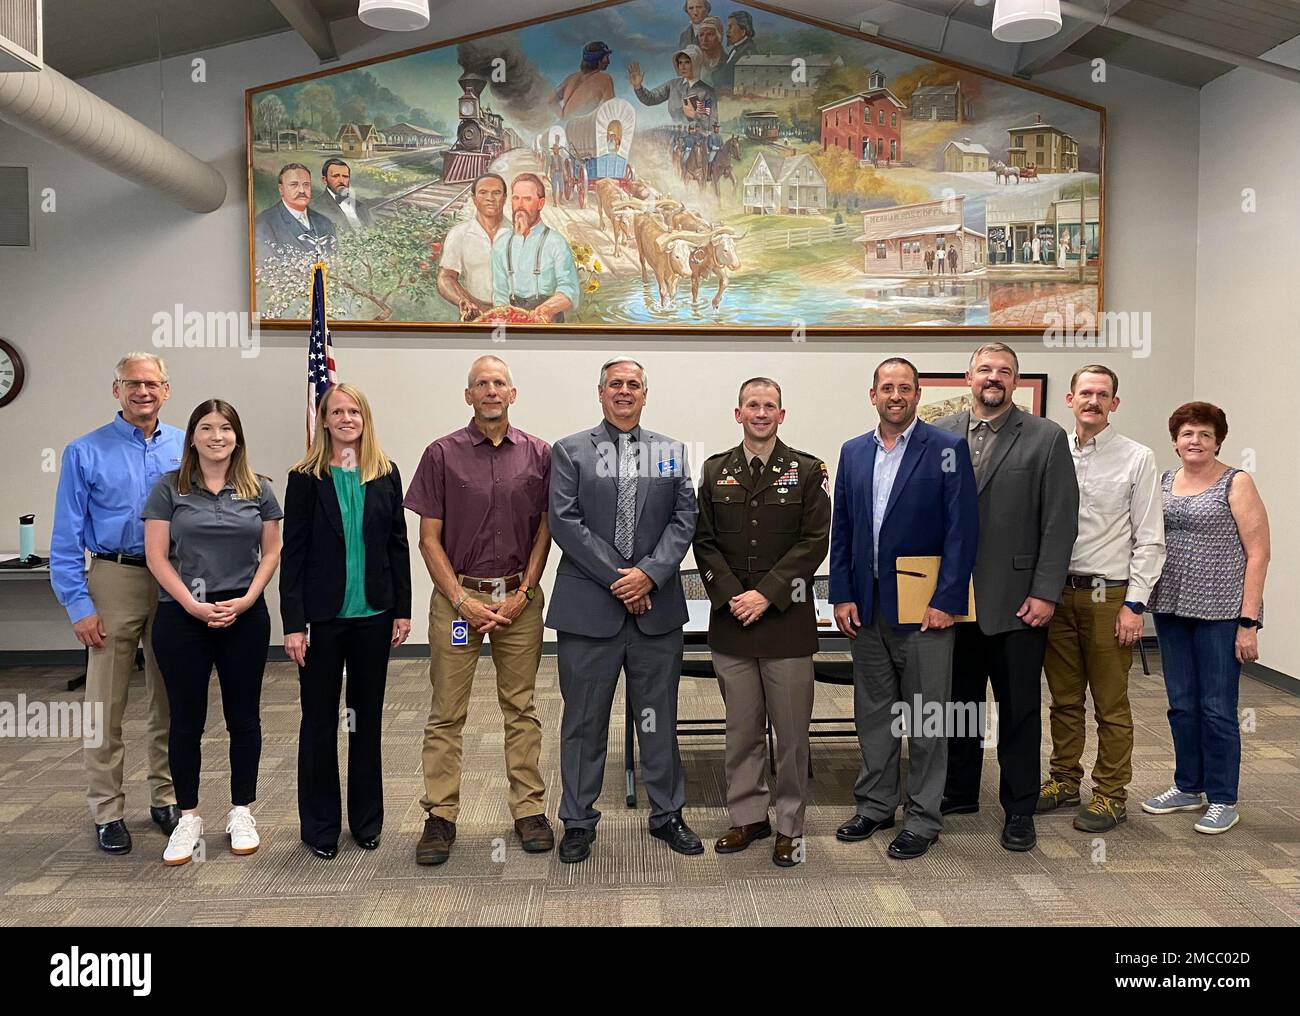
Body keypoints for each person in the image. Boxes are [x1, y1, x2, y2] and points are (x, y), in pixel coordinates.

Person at [547, 356, 699, 864]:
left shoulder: (671, 453)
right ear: (601, 392)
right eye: (616, 383)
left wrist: (648, 575)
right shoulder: (570, 451)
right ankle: (577, 821)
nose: (625, 391)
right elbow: (565, 522)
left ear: (645, 394)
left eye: (634, 384)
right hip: (590, 612)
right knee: (584, 721)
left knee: (658, 719)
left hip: (656, 611)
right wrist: (623, 579)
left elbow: (684, 519)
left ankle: (667, 815)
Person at [404, 356, 555, 865]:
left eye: (499, 383)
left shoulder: (539, 454)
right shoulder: (441, 454)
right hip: (458, 602)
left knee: (521, 708)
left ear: (513, 394)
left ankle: (529, 810)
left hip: (519, 601)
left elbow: (545, 530)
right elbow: (428, 540)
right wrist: (463, 601)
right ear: (468, 396)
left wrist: (525, 592)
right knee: (446, 713)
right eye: (481, 384)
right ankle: (440, 816)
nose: (491, 390)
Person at [831, 359, 979, 860]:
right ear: (872, 394)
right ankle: (875, 805)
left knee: (926, 718)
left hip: (925, 610)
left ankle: (922, 817)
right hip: (867, 607)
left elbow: (963, 531)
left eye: (905, 388)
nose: (895, 395)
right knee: (874, 714)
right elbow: (843, 528)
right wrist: (842, 594)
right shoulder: (853, 451)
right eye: (887, 388)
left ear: (918, 395)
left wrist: (947, 600)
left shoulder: (946, 448)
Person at [933, 343, 1078, 852]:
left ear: (1015, 381)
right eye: (985, 369)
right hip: (953, 600)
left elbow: (1060, 521)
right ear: (968, 376)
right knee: (959, 705)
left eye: (1004, 371)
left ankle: (1020, 807)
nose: (993, 377)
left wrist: (1045, 592)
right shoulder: (939, 434)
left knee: (1018, 710)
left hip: (1019, 603)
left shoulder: (1045, 436)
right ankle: (959, 792)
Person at [51, 353, 185, 855]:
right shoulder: (84, 451)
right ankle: (107, 809)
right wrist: (78, 604)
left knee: (169, 695)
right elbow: (65, 536)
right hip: (115, 576)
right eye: (132, 383)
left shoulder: (185, 446)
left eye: (151, 383)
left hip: (173, 578)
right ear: (116, 390)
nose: (142, 391)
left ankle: (165, 797)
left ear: (166, 390)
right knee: (105, 703)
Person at [693, 378, 830, 867]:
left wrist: (765, 595)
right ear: (739, 413)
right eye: (752, 405)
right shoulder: (715, 471)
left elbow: (814, 542)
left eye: (769, 405)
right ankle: (748, 816)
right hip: (733, 621)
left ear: (781, 414)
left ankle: (790, 825)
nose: (761, 412)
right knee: (742, 730)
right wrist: (734, 596)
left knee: (791, 736)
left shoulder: (808, 470)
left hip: (786, 623)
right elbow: (703, 541)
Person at [142, 400, 282, 865]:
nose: (216, 436)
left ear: (237, 437)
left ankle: (241, 811)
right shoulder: (169, 488)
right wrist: (193, 605)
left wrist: (247, 599)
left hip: (244, 615)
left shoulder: (259, 488)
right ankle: (188, 817)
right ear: (192, 438)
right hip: (183, 617)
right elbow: (156, 555)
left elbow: (271, 551)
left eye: (225, 428)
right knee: (186, 720)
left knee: (244, 718)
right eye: (206, 428)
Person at [280, 383, 411, 860]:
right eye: (337, 411)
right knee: (319, 722)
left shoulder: (385, 472)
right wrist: (293, 623)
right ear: (324, 420)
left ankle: (366, 822)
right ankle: (320, 827)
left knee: (365, 721)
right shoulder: (304, 478)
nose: (346, 418)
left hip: (374, 616)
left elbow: (397, 544)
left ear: (364, 418)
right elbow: (293, 554)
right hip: (322, 621)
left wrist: (402, 609)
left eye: (354, 411)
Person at [1039, 366, 1165, 833]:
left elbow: (1150, 538)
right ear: (1070, 400)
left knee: (1110, 704)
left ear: (1115, 403)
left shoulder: (1137, 457)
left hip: (1109, 596)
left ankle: (1111, 793)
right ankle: (1064, 780)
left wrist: (1135, 605)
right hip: (1057, 593)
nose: (1093, 401)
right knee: (1064, 700)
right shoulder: (1052, 452)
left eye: (1103, 394)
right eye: (1086, 393)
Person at [1142, 402, 1270, 835]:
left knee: (1217, 708)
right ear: (1175, 441)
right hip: (1171, 608)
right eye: (1187, 434)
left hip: (1221, 611)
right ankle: (1187, 786)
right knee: (1181, 704)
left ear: (1217, 442)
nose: (1195, 441)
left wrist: (1248, 622)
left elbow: (1259, 554)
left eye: (1204, 435)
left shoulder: (1237, 482)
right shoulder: (1164, 481)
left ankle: (1222, 798)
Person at [489, 174, 580, 323]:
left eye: (527, 199)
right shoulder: (501, 244)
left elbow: (569, 290)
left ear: (540, 203)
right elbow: (499, 294)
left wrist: (547, 308)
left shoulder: (556, 243)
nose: (520, 205)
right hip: (512, 322)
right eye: (516, 198)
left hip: (549, 321)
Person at [438, 173, 508, 321]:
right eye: (483, 192)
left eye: (496, 193)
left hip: (513, 313)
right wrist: (462, 300)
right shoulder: (459, 233)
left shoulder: (519, 233)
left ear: (505, 198)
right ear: (474, 199)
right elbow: (446, 277)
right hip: (475, 313)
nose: (490, 198)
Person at [254, 163, 336, 259]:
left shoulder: (325, 222)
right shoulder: (264, 223)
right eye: (294, 185)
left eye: (306, 185)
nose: (302, 190)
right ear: (281, 189)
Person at [628, 47, 718, 128]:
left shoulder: (707, 92)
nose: (682, 66)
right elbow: (651, 99)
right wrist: (638, 86)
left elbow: (713, 124)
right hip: (675, 134)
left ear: (695, 64)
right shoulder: (673, 85)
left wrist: (695, 115)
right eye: (680, 62)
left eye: (687, 62)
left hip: (698, 137)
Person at [552, 41, 615, 119]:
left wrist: (563, 118)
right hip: (582, 124)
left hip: (568, 124)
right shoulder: (605, 79)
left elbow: (551, 101)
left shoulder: (571, 78)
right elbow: (611, 110)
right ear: (598, 60)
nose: (609, 62)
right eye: (606, 57)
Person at [309, 158, 374, 232]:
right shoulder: (314, 208)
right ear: (325, 180)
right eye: (336, 176)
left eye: (345, 176)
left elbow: (372, 231)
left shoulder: (361, 207)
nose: (341, 181)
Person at [717, 11, 757, 94]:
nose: (727, 32)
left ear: (743, 31)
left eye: (730, 27)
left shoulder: (748, 52)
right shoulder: (736, 48)